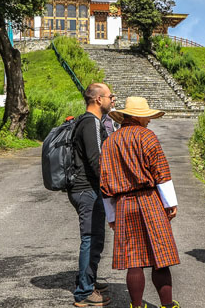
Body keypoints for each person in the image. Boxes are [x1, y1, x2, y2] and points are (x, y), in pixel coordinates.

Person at [100, 96, 181, 308]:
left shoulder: (109, 142)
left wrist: (111, 215)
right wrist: (170, 203)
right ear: (136, 116)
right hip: (150, 200)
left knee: (134, 259)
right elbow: (161, 172)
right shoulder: (147, 137)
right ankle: (167, 306)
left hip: (124, 204)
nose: (149, 120)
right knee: (159, 257)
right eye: (145, 117)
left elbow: (105, 183)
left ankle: (136, 306)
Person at [69, 83, 114, 307]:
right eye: (109, 96)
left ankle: (89, 281)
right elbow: (97, 161)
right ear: (98, 99)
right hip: (87, 189)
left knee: (95, 238)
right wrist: (111, 187)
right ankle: (84, 292)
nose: (112, 99)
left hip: (87, 189)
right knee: (90, 238)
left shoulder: (88, 121)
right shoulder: (91, 123)